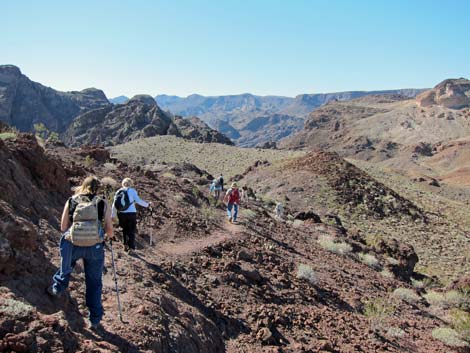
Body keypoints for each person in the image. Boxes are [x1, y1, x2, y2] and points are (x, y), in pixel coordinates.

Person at [48, 176, 114, 330]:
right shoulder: (102, 202)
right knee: (94, 283)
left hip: (73, 244)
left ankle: (58, 287)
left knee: (67, 264)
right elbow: (110, 230)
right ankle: (95, 319)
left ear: (83, 185)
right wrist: (109, 236)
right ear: (98, 188)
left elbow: (63, 227)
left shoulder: (72, 200)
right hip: (95, 247)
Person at [112, 178, 150, 254]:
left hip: (121, 214)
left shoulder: (118, 191)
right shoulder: (132, 191)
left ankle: (125, 245)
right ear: (131, 184)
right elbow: (138, 201)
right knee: (131, 231)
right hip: (131, 213)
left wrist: (112, 215)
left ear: (123, 183)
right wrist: (147, 205)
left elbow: (114, 204)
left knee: (124, 230)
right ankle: (131, 248)